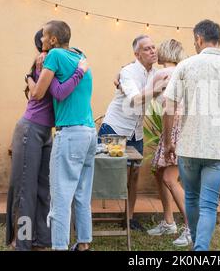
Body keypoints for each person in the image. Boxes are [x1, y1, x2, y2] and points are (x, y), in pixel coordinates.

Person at [163, 20, 220, 251]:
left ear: (199, 39)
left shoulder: (185, 66)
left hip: (189, 148)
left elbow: (169, 107)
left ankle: (197, 245)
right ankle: (200, 249)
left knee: (191, 198)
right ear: (219, 39)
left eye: (195, 41)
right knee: (209, 205)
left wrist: (168, 143)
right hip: (218, 150)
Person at [6, 29, 88, 251]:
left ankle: (42, 240)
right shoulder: (45, 60)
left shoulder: (64, 59)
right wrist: (31, 76)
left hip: (47, 132)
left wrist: (80, 70)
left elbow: (61, 91)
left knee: (45, 190)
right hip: (30, 128)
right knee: (25, 189)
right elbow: (36, 94)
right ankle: (22, 241)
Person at [31, 20, 96, 251]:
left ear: (53, 40)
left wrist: (30, 78)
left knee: (59, 197)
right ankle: (84, 243)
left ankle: (59, 246)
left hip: (70, 133)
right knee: (81, 192)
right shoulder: (80, 55)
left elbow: (38, 93)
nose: (41, 40)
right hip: (89, 132)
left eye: (44, 36)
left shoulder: (55, 54)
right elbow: (59, 90)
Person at [100, 35, 165, 231]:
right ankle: (86, 215)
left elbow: (164, 99)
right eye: (147, 49)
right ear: (137, 54)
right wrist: (156, 90)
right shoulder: (127, 72)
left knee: (134, 173)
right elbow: (136, 99)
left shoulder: (156, 73)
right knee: (106, 173)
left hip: (136, 132)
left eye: (154, 47)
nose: (153, 51)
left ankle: (128, 218)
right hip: (115, 128)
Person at [146, 39, 192, 247]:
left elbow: (163, 108)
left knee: (170, 177)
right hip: (184, 126)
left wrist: (167, 141)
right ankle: (168, 221)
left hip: (174, 126)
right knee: (158, 172)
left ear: (164, 53)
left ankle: (192, 228)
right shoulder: (184, 71)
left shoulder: (162, 74)